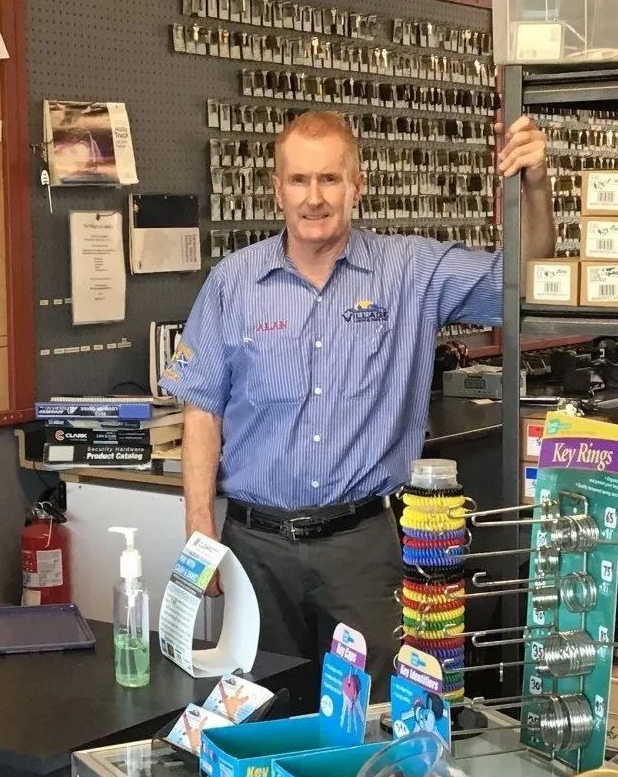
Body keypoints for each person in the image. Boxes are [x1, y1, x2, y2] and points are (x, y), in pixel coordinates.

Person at [161, 108, 551, 682]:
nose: (314, 197)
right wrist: (199, 524)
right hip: (254, 551)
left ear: (357, 187)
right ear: (276, 190)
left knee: (378, 721)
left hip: (363, 552)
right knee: (258, 718)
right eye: (299, 180)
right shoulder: (232, 282)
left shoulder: (410, 271)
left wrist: (536, 186)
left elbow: (522, 280)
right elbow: (203, 406)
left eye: (329, 179)